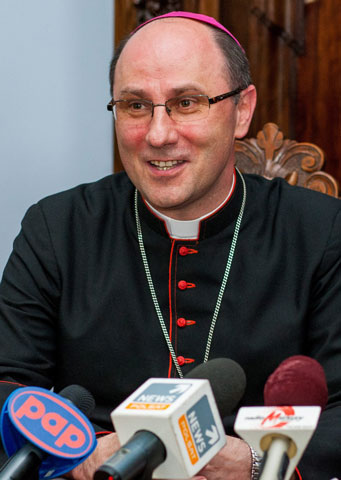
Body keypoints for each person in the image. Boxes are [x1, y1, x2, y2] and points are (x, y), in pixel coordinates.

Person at [0, 10, 340, 480]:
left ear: (242, 110)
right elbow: (7, 385)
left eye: (186, 103)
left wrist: (258, 464)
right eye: (135, 106)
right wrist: (80, 455)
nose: (158, 135)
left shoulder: (320, 230)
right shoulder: (57, 229)